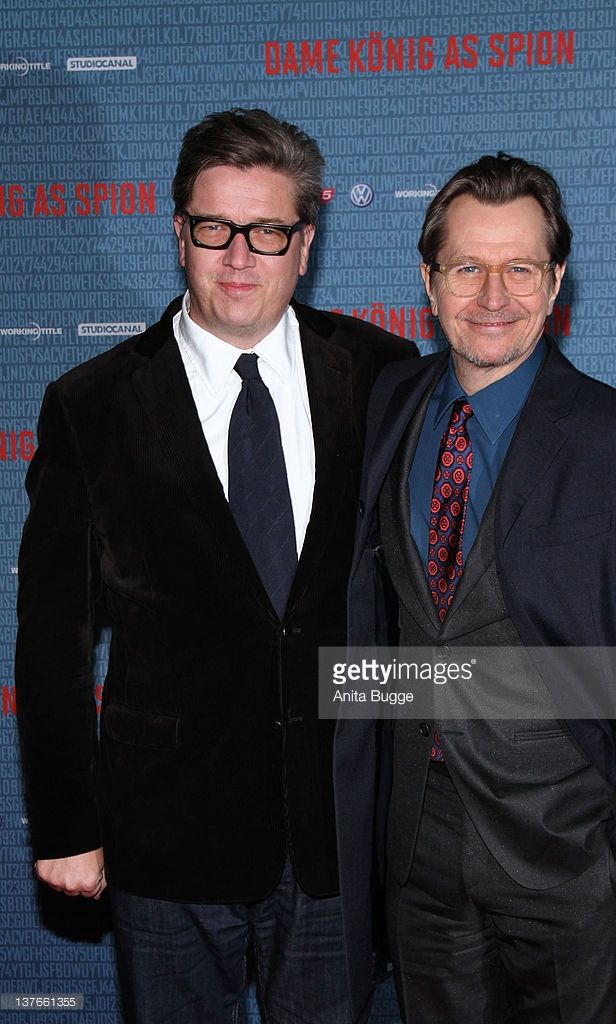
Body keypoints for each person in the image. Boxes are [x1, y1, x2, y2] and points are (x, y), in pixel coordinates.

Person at [15, 107, 415, 1024]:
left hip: (337, 829)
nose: (239, 256)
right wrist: (69, 825)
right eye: (214, 228)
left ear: (304, 244)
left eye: (267, 231)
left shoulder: (382, 373)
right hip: (166, 832)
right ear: (178, 234)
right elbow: (53, 637)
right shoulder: (93, 403)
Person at [335, 153, 616, 1023]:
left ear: (555, 285)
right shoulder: (388, 405)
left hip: (574, 854)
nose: (492, 296)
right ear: (427, 282)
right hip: (415, 849)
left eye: (520, 269)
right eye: (466, 268)